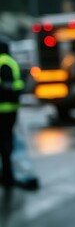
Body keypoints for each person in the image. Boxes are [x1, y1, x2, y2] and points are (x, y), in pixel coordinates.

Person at [0, 40, 25, 188]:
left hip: (4, 110)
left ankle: (7, 175)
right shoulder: (10, 61)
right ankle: (7, 174)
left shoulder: (4, 63)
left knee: (4, 142)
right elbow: (16, 85)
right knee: (6, 141)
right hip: (9, 110)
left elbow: (8, 85)